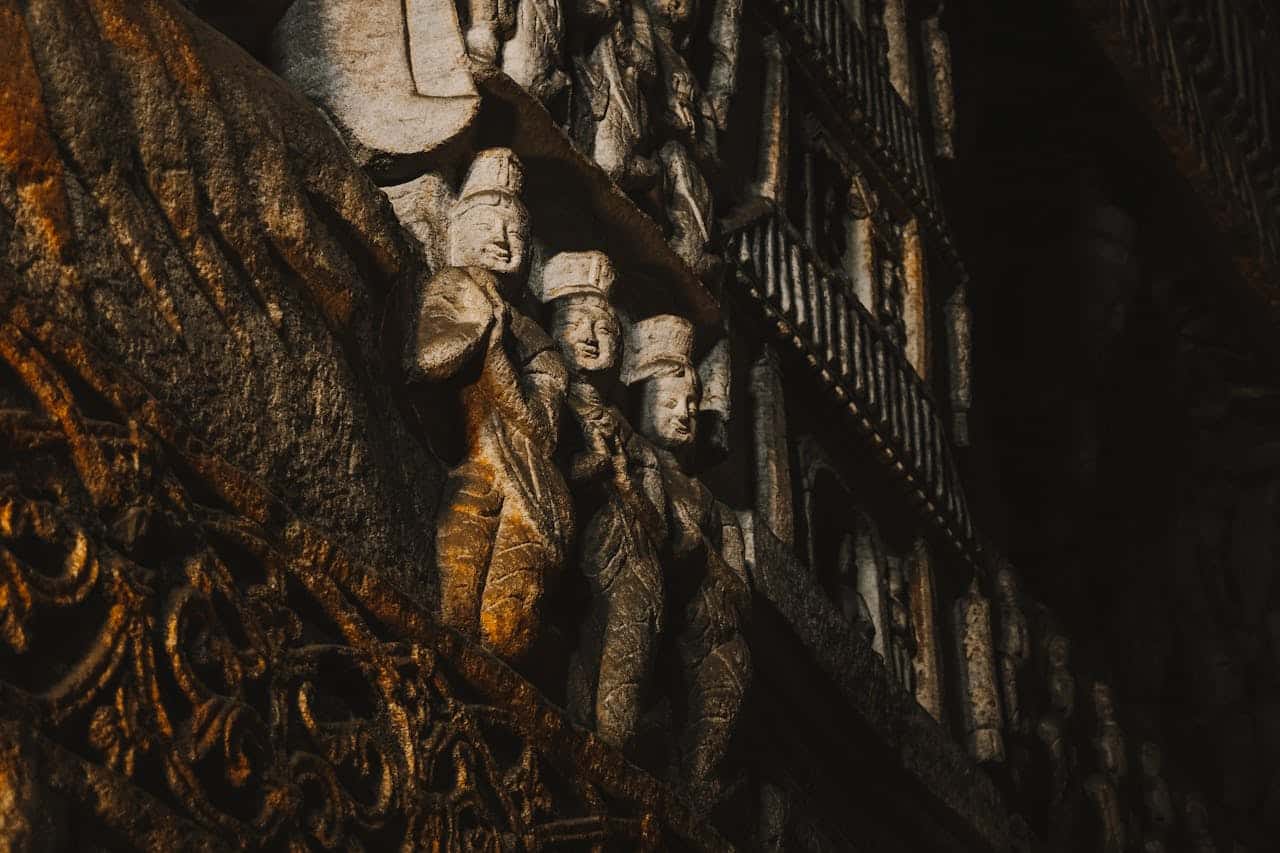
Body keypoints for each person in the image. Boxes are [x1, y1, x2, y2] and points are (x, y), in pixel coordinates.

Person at [406, 148, 572, 662]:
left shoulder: (538, 342)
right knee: (453, 598)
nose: (500, 240)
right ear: (457, 232)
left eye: (514, 233)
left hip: (530, 490)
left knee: (505, 627)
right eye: (486, 224)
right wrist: (479, 326)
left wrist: (497, 349)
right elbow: (428, 362)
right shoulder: (453, 287)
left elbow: (542, 433)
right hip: (470, 470)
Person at [624, 314, 751, 806]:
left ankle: (698, 776)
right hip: (646, 595)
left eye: (691, 407)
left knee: (729, 670)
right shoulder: (634, 454)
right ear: (641, 399)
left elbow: (739, 588)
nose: (683, 414)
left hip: (705, 628)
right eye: (670, 401)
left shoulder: (713, 507)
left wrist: (710, 560)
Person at [542, 251, 667, 751]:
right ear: (552, 331)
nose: (594, 338)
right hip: (566, 553)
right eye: (577, 325)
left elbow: (658, 529)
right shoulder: (550, 396)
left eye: (607, 329)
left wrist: (622, 475)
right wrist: (591, 469)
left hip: (627, 570)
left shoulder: (634, 443)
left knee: (620, 681)